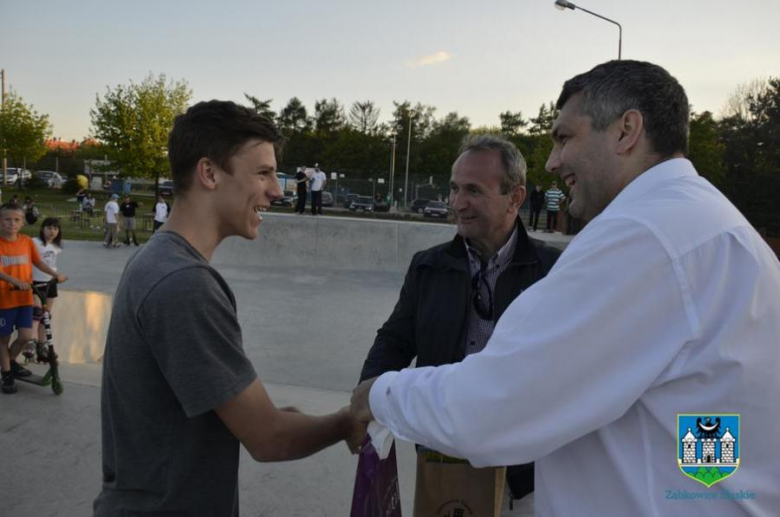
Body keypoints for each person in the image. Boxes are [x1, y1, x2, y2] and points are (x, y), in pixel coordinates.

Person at [351, 60, 780, 515]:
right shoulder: (711, 223)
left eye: (564, 138)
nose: (553, 162)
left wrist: (378, 396)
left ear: (626, 130)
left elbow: (498, 405)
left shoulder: (643, 236)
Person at [93, 100, 364, 516]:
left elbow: (247, 415)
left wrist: (290, 417)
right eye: (263, 173)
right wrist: (347, 422)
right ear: (210, 173)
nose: (277, 190)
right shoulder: (183, 284)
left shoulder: (158, 261)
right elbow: (269, 437)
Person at [359, 134, 560, 514]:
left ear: (515, 198)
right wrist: (366, 395)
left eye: (473, 191)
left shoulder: (553, 272)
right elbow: (395, 340)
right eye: (454, 189)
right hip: (444, 460)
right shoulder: (428, 267)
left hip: (527, 474)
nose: (457, 203)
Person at [0, 203, 67, 394]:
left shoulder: (26, 241)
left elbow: (38, 262)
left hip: (24, 298)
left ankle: (11, 362)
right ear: (0, 221)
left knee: (25, 337)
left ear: (22, 222)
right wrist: (15, 280)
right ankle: (6, 374)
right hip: (4, 300)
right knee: (3, 339)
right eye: (7, 219)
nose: (12, 223)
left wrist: (54, 274)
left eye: (16, 220)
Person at [29, 217, 64, 360]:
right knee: (37, 311)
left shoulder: (57, 247)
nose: (52, 231)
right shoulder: (34, 242)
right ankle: (31, 341)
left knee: (46, 316)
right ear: (43, 229)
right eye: (49, 228)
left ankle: (41, 346)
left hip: (50, 283)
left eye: (55, 228)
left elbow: (51, 264)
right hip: (35, 282)